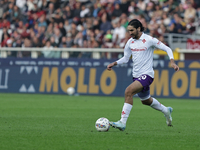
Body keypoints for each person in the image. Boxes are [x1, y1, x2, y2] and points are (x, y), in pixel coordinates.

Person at [107, 19, 179, 131]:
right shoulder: (130, 42)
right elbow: (126, 58)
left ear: (139, 28)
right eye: (128, 30)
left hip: (147, 74)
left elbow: (167, 48)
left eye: (132, 30)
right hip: (136, 75)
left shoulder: (149, 40)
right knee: (146, 100)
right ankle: (166, 110)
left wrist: (172, 62)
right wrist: (115, 63)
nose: (130, 33)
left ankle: (122, 122)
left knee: (128, 91)